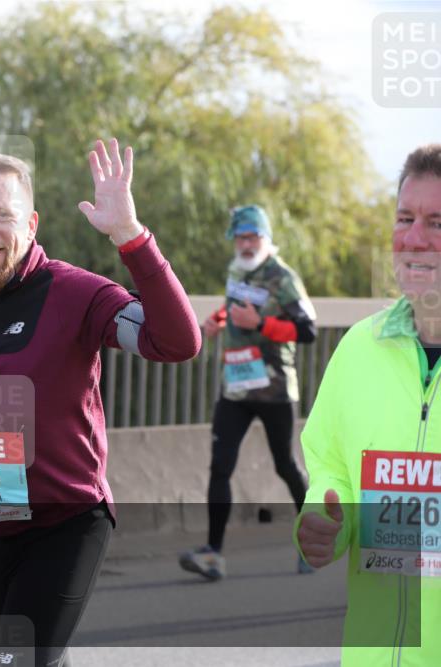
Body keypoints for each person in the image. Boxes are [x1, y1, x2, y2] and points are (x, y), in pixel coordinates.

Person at [0, 138, 201, 667]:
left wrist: (130, 236)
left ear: (31, 225)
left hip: (66, 520)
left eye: (2, 215)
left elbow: (177, 342)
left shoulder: (75, 293)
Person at [295, 144, 440, 666]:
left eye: (437, 223)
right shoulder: (360, 348)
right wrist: (324, 520)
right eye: (405, 218)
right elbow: (332, 468)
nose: (414, 238)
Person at [179, 205, 317, 581]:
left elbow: (308, 330)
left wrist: (261, 324)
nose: (244, 244)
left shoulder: (283, 277)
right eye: (239, 238)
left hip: (274, 389)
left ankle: (312, 542)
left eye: (251, 237)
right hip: (237, 387)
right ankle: (213, 554)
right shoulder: (237, 270)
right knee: (220, 466)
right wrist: (217, 321)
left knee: (285, 465)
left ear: (266, 238)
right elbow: (234, 306)